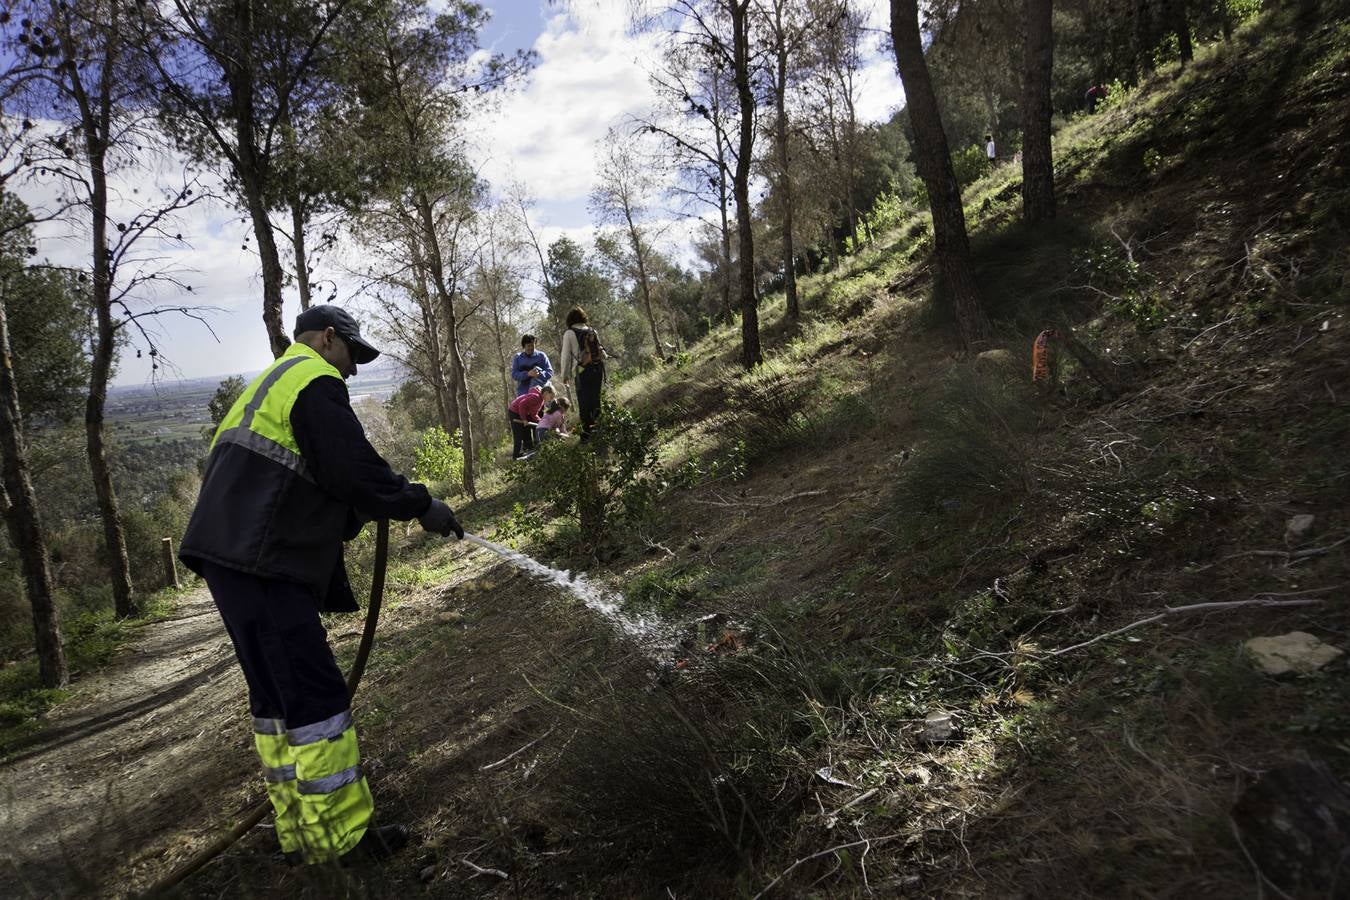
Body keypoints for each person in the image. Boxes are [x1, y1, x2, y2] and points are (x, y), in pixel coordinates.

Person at [179, 305, 464, 867]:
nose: (353, 371)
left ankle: (303, 835)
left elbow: (306, 478)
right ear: (328, 339)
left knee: (277, 702)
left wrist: (360, 510)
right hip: (262, 562)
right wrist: (420, 503)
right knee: (315, 699)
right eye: (351, 356)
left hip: (230, 559)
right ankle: (344, 843)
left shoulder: (268, 384)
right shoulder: (313, 379)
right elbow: (352, 471)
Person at [559, 306, 605, 440]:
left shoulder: (569, 333)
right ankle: (599, 430)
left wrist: (565, 375)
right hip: (597, 368)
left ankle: (587, 436)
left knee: (584, 403)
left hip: (581, 371)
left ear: (570, 320)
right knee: (596, 400)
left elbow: (565, 356)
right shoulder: (592, 331)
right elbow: (601, 351)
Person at [508, 382, 555, 459]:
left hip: (520, 412)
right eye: (550, 397)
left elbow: (534, 414)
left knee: (522, 434)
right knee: (518, 435)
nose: (550, 400)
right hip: (514, 412)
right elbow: (521, 405)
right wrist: (524, 419)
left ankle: (519, 454)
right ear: (546, 393)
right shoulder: (535, 397)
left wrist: (541, 422)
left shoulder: (541, 401)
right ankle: (515, 457)